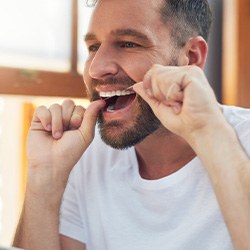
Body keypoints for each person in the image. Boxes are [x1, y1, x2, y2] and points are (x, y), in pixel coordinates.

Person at [13, 0, 250, 249]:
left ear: (191, 57)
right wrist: (45, 178)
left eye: (128, 43)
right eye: (93, 47)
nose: (96, 69)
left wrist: (206, 131)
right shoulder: (83, 155)